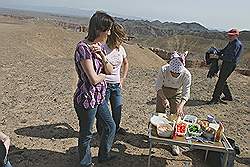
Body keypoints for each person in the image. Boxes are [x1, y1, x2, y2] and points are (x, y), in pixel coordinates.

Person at [73, 11, 116, 167]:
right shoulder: (83, 48)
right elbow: (94, 79)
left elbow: (110, 70)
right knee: (86, 134)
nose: (109, 33)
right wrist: (104, 75)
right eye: (108, 30)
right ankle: (85, 163)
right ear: (99, 30)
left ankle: (104, 156)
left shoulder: (99, 47)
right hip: (86, 99)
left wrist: (103, 57)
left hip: (99, 97)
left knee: (110, 126)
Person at [155, 51, 191, 155]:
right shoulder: (163, 69)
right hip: (163, 91)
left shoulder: (186, 74)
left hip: (177, 92)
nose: (174, 74)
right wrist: (163, 99)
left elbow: (186, 92)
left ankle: (174, 142)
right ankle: (158, 137)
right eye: (172, 73)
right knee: (160, 115)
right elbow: (158, 86)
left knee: (175, 116)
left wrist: (181, 105)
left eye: (177, 73)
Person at [96, 22, 129, 135]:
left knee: (117, 110)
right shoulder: (102, 48)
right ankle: (101, 131)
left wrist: (123, 78)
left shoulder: (121, 49)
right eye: (120, 38)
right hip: (104, 85)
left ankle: (116, 128)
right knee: (103, 112)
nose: (121, 41)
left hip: (116, 85)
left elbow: (126, 63)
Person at [207, 29, 243, 105]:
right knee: (222, 79)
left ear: (236, 36)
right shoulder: (231, 43)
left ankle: (215, 98)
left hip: (230, 64)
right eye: (229, 35)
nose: (230, 36)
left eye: (232, 35)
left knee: (221, 81)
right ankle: (228, 96)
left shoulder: (236, 44)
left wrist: (218, 57)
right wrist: (215, 50)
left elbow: (230, 58)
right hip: (226, 63)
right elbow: (223, 51)